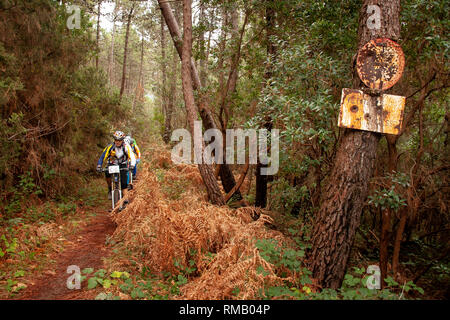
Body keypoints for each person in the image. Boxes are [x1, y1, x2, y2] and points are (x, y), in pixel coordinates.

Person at [97, 131, 136, 201]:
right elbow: (102, 157)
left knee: (124, 183)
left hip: (122, 164)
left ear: (122, 140)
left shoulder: (126, 146)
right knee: (106, 173)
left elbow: (132, 156)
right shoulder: (110, 146)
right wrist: (99, 165)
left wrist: (132, 165)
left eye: (119, 140)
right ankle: (109, 188)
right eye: (116, 140)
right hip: (112, 163)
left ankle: (126, 200)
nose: (117, 142)